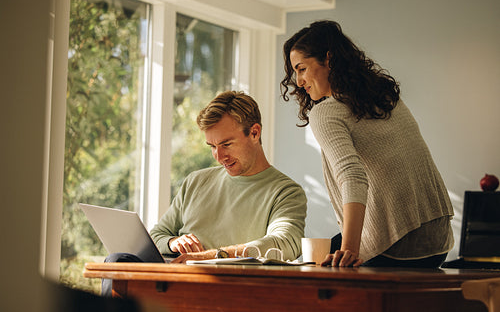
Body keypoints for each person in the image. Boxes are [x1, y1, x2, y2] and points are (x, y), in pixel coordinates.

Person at [280, 20, 454, 268]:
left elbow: (351, 175)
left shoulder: (325, 112)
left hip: (399, 245)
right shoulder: (385, 97)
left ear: (328, 60)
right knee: (317, 256)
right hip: (439, 242)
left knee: (310, 269)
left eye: (302, 69)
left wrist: (349, 250)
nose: (298, 81)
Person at [149, 90, 307, 264]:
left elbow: (284, 244)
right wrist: (173, 242)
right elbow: (156, 236)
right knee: (118, 260)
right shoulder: (195, 181)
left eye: (227, 144)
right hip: (173, 281)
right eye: (212, 146)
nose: (219, 156)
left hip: (227, 286)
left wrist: (207, 257)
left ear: (254, 133)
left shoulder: (286, 192)